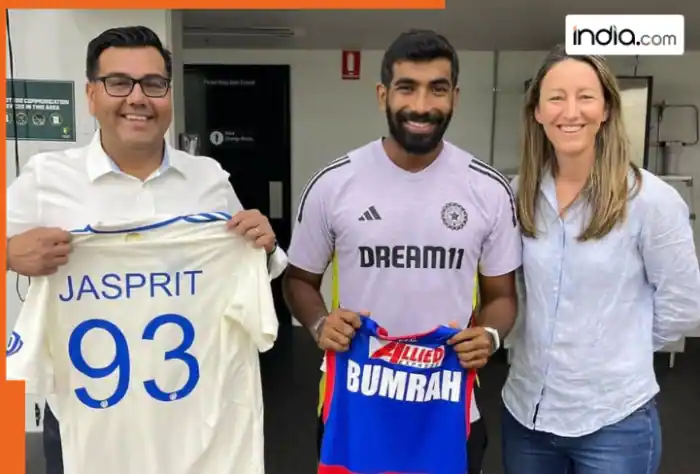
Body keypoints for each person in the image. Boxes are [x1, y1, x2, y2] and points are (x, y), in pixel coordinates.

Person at [6, 26, 287, 474]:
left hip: (197, 423)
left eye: (154, 85)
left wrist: (266, 246)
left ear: (169, 96)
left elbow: (257, 269)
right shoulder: (46, 180)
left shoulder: (208, 178)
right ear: (91, 95)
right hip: (91, 424)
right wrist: (8, 253)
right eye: (119, 82)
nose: (138, 97)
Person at [283, 29, 521, 474]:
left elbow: (503, 296)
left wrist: (489, 337)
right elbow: (298, 280)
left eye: (438, 88)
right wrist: (318, 323)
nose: (422, 105)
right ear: (382, 95)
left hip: (449, 408)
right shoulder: (334, 184)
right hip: (355, 402)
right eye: (407, 87)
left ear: (455, 96)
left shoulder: (487, 189)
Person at [501, 45, 700, 474]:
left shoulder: (651, 201)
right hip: (526, 414)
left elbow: (683, 309)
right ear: (537, 111)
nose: (570, 111)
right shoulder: (517, 195)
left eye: (586, 96)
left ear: (607, 109)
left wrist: (613, 354)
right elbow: (509, 288)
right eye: (556, 97)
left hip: (614, 421)